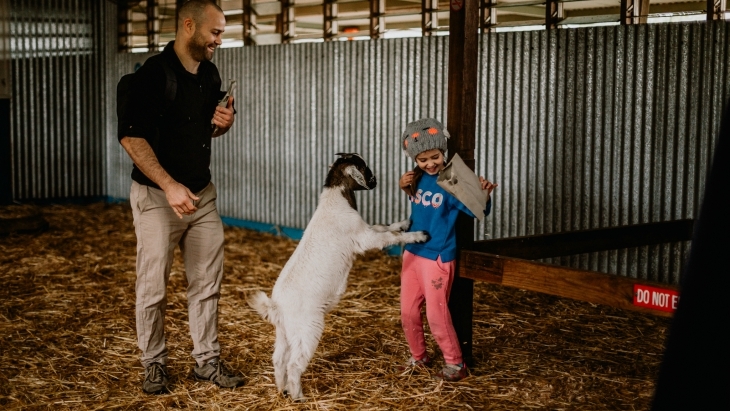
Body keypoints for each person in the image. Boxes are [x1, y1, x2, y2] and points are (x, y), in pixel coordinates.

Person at [118, 0, 243, 394]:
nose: (218, 41)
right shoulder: (152, 76)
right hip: (158, 198)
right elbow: (131, 137)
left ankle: (207, 361)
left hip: (201, 196)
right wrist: (169, 186)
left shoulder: (209, 73)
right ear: (189, 26)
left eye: (222, 33)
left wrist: (223, 122)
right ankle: (153, 364)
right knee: (153, 287)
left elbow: (206, 130)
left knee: (207, 283)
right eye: (215, 32)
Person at [396, 118, 497, 382]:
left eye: (435, 156)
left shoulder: (451, 180)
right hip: (413, 251)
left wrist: (484, 195)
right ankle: (419, 357)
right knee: (407, 311)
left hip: (438, 256)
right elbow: (417, 202)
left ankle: (455, 363)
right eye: (422, 159)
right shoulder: (416, 178)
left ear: (443, 153)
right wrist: (403, 185)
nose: (430, 163)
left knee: (436, 313)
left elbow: (478, 210)